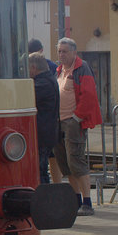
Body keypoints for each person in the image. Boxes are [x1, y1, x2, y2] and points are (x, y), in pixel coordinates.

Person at [55, 38, 102, 215]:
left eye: (65, 51)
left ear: (74, 52)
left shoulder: (82, 68)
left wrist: (76, 118)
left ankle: (87, 203)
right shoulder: (60, 70)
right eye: (60, 51)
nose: (61, 55)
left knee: (76, 161)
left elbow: (89, 96)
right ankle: (76, 201)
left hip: (72, 122)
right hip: (59, 122)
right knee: (66, 164)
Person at [29, 53, 59, 186]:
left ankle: (45, 201)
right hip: (46, 132)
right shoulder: (48, 80)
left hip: (43, 134)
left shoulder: (43, 84)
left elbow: (26, 96)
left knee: (40, 171)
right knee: (41, 169)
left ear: (34, 67)